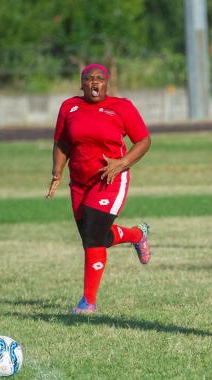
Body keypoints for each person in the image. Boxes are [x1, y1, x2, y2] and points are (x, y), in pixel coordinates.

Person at [46, 63, 152, 314]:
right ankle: (136, 235)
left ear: (107, 83)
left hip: (110, 179)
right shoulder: (69, 107)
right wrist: (57, 172)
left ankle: (88, 302)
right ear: (81, 84)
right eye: (88, 79)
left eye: (99, 79)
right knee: (94, 238)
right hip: (79, 183)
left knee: (93, 235)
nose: (94, 83)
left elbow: (144, 141)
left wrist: (122, 164)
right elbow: (62, 143)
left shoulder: (122, 107)